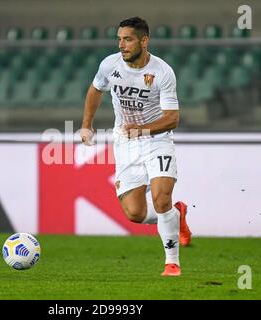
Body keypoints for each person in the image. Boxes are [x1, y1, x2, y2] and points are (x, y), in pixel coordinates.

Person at [80, 16, 192, 276]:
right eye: (119, 39)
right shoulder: (110, 65)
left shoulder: (162, 72)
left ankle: (172, 263)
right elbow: (96, 90)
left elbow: (172, 118)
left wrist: (142, 130)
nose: (122, 45)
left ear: (144, 41)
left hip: (157, 139)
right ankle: (176, 215)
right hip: (125, 142)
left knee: (161, 197)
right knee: (135, 213)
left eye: (127, 39)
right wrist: (87, 124)